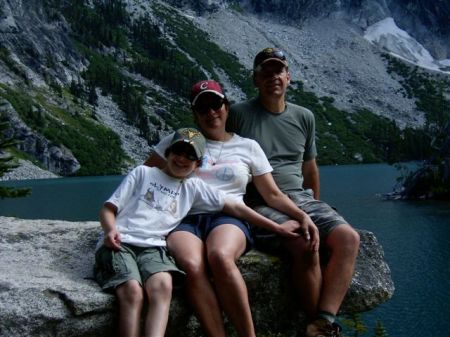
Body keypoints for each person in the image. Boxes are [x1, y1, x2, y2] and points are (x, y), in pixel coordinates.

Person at [144, 80, 318, 337]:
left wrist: (302, 215)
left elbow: (272, 194)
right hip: (183, 218)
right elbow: (145, 177)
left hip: (229, 216)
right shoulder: (181, 140)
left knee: (220, 256)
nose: (210, 112)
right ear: (195, 114)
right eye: (202, 107)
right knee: (191, 265)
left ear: (226, 107)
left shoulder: (248, 147)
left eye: (215, 104)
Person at [94, 127, 302, 337]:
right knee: (133, 292)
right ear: (168, 152)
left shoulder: (192, 187)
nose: (182, 159)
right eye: (178, 152)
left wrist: (277, 227)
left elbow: (236, 207)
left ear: (197, 165)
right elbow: (108, 208)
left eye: (190, 156)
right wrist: (110, 230)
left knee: (163, 286)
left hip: (154, 247)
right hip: (122, 241)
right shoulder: (143, 173)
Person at [227, 47, 361, 337]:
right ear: (255, 79)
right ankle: (320, 328)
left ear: (288, 77)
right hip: (258, 200)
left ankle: (323, 320)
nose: (273, 76)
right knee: (304, 243)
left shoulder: (304, 117)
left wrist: (315, 206)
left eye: (278, 71)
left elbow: (309, 168)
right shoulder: (238, 114)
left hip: (300, 198)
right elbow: (216, 147)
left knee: (349, 238)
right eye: (266, 71)